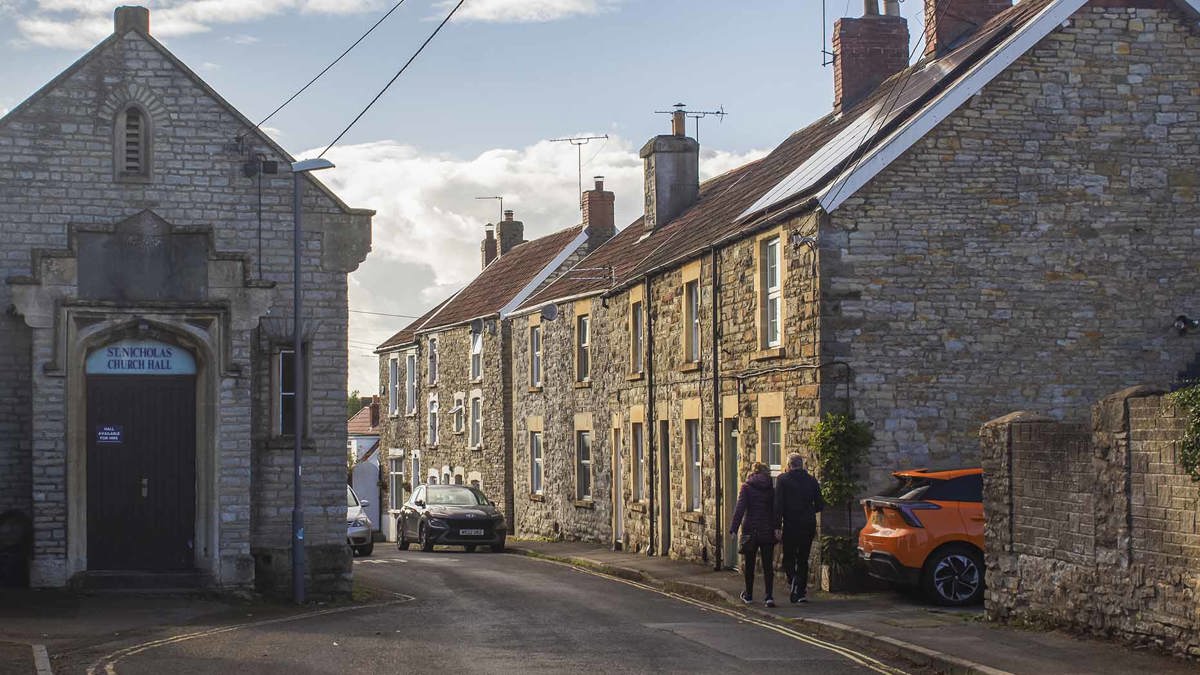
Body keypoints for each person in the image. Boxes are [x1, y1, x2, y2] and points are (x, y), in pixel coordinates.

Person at [774, 452, 824, 603]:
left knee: (788, 558)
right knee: (803, 558)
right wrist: (808, 511)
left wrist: (777, 526)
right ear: (802, 465)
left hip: (790, 524)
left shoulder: (782, 480)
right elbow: (820, 504)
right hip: (807, 524)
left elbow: (778, 505)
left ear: (789, 465)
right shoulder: (811, 480)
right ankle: (800, 592)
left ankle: (794, 580)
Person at [729, 462, 777, 608]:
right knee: (768, 565)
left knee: (749, 565)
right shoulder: (771, 488)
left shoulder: (746, 487)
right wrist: (777, 527)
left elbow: (740, 509)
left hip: (750, 531)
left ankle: (749, 595)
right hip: (767, 530)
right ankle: (768, 597)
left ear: (754, 472)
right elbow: (775, 511)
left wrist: (733, 529)